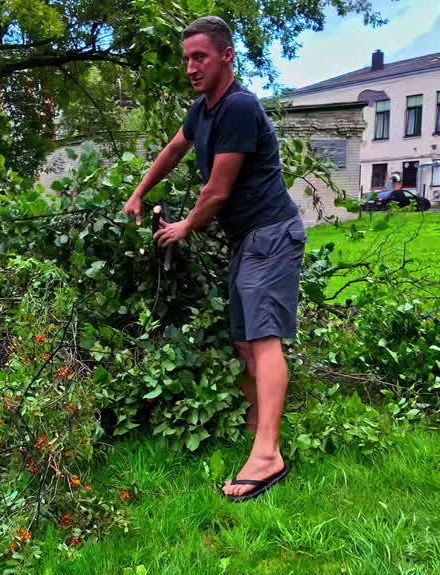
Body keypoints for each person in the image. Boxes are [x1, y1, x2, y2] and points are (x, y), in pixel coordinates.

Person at [123, 15, 306, 502]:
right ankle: (254, 427)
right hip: (246, 239)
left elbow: (217, 191)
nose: (190, 67)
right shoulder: (202, 110)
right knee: (245, 341)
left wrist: (185, 227)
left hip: (270, 234)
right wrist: (141, 190)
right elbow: (175, 149)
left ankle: (268, 453)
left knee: (265, 340)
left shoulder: (239, 108)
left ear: (226, 55)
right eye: (186, 59)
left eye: (199, 56)